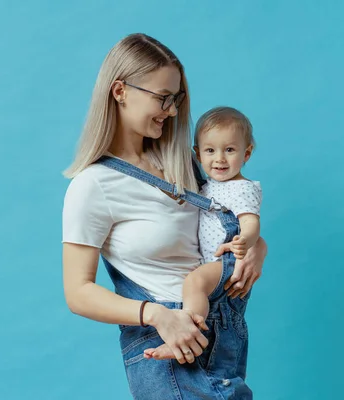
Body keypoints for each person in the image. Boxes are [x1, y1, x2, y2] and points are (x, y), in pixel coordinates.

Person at [62, 33, 267, 399]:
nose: (172, 111)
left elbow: (225, 217)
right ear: (120, 90)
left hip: (222, 331)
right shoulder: (93, 184)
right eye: (163, 98)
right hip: (167, 342)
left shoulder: (184, 164)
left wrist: (258, 247)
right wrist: (156, 315)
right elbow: (78, 293)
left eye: (176, 99)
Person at [143, 106, 262, 362]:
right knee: (199, 291)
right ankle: (190, 336)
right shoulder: (207, 186)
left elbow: (251, 222)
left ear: (247, 153)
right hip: (212, 262)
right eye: (210, 150)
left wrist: (245, 243)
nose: (219, 159)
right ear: (197, 154)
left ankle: (186, 333)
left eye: (229, 150)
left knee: (194, 283)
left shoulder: (241, 188)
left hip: (227, 259)